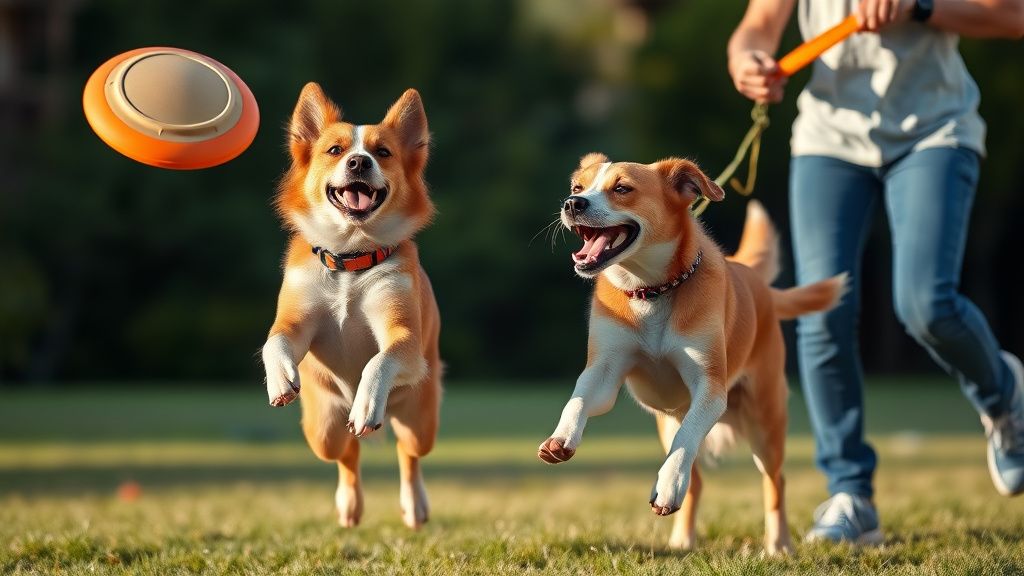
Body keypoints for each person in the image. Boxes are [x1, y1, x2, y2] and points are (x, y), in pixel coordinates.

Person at [727, 0, 1024, 544]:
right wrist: (749, 60)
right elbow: (758, 25)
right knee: (822, 314)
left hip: (935, 130)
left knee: (925, 304)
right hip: (829, 140)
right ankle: (849, 493)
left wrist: (921, 6)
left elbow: (1011, 15)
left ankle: (1005, 397)